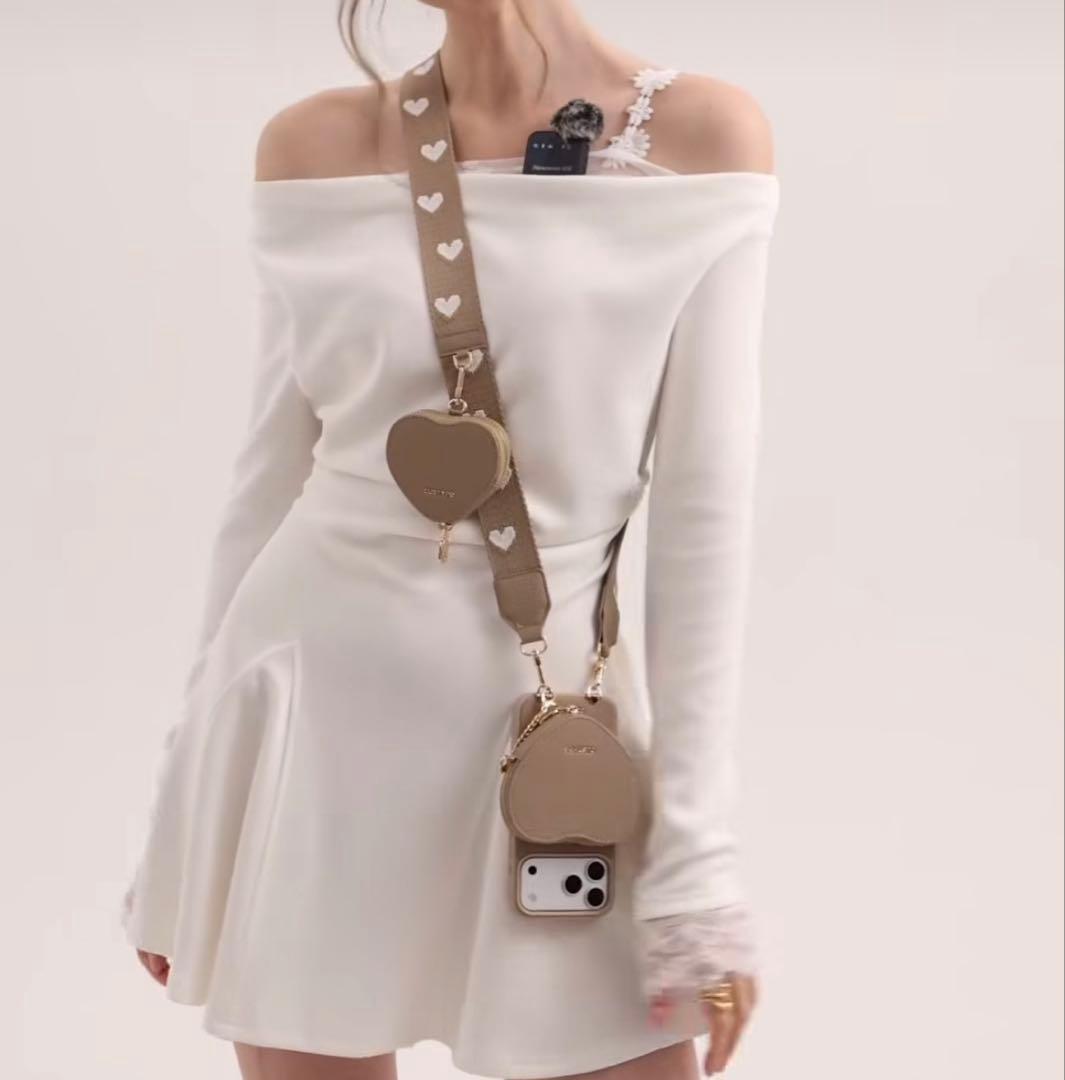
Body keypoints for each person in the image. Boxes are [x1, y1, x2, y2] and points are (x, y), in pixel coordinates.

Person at [121, 1, 779, 1077]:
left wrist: (696, 859)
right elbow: (267, 482)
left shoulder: (701, 137)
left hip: (547, 734)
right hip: (308, 717)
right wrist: (180, 807)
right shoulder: (312, 145)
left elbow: (705, 516)